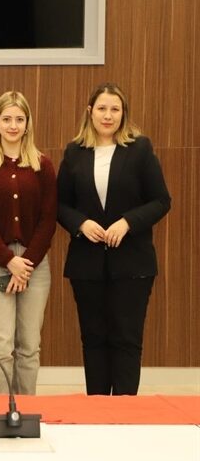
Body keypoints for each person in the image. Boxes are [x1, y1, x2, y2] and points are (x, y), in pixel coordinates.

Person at [56, 83, 170, 396]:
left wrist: (127, 222)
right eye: (102, 109)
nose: (108, 115)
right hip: (87, 265)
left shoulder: (140, 149)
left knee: (126, 339)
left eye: (115, 109)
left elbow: (161, 200)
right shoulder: (74, 152)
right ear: (90, 112)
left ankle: (124, 414)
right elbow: (59, 204)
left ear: (123, 114)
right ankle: (96, 411)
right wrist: (81, 223)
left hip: (132, 264)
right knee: (93, 339)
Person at [0, 91, 56, 395]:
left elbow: (48, 219)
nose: (13, 125)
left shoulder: (42, 166)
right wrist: (9, 261)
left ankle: (27, 412)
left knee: (29, 346)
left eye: (19, 119)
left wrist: (26, 263)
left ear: (28, 124)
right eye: (7, 119)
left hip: (35, 265)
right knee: (0, 345)